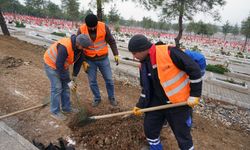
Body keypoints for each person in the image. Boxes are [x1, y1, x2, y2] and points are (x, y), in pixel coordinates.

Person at [128, 34, 202, 150]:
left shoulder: (169, 52)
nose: (133, 56)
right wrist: (139, 106)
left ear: (142, 50)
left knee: (183, 136)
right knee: (150, 129)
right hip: (157, 103)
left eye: (134, 53)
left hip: (177, 103)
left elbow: (194, 69)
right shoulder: (143, 66)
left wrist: (195, 95)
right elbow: (146, 89)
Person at [44, 34, 93, 121]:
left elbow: (78, 63)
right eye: (84, 47)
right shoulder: (65, 46)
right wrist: (68, 81)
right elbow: (59, 65)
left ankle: (66, 108)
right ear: (78, 44)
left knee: (66, 87)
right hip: (51, 64)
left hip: (63, 65)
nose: (85, 49)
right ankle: (55, 111)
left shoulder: (80, 49)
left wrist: (74, 77)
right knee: (57, 88)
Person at [77, 14, 119, 107]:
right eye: (90, 27)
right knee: (92, 81)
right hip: (89, 60)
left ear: (97, 23)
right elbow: (78, 46)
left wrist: (116, 54)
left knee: (109, 79)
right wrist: (83, 61)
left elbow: (111, 41)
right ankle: (97, 98)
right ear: (86, 25)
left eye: (94, 27)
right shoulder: (81, 29)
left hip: (103, 58)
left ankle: (111, 97)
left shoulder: (103, 27)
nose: (92, 29)